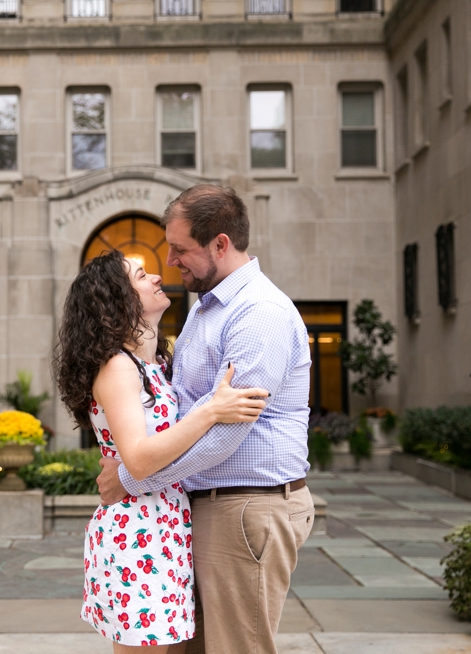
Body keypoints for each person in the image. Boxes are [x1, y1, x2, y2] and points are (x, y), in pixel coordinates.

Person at [96, 184, 314, 654]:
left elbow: (224, 439)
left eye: (180, 249)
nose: (170, 262)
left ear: (220, 243)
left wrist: (132, 480)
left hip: (244, 507)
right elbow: (184, 408)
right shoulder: (208, 307)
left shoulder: (258, 314)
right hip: (201, 508)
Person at [53, 249, 268, 653]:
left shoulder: (152, 364)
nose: (156, 277)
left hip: (163, 528)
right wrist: (212, 412)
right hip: (138, 533)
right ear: (118, 300)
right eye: (140, 275)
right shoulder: (118, 366)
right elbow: (136, 458)